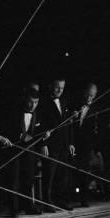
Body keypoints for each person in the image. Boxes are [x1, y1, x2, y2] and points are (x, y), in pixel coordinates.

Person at [0, 89, 43, 216]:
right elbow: (7, 129)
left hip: (29, 151)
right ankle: (13, 208)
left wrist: (44, 134)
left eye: (36, 102)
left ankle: (28, 206)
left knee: (28, 178)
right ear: (25, 100)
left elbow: (38, 129)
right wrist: (20, 136)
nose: (33, 105)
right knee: (14, 179)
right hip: (14, 149)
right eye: (31, 102)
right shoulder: (14, 111)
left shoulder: (37, 112)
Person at [38, 77, 74, 211]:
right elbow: (39, 124)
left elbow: (68, 123)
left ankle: (60, 201)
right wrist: (43, 143)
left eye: (62, 88)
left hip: (63, 145)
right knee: (49, 175)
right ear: (51, 86)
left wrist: (70, 142)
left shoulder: (64, 101)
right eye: (57, 87)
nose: (60, 90)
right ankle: (48, 203)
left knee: (62, 175)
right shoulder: (43, 102)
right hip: (50, 145)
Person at [72, 83, 99, 207]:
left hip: (86, 145)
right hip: (72, 142)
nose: (89, 97)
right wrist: (73, 117)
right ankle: (69, 197)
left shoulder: (95, 109)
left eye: (92, 95)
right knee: (71, 171)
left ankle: (84, 198)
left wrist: (93, 148)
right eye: (88, 94)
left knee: (85, 172)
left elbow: (94, 129)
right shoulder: (75, 104)